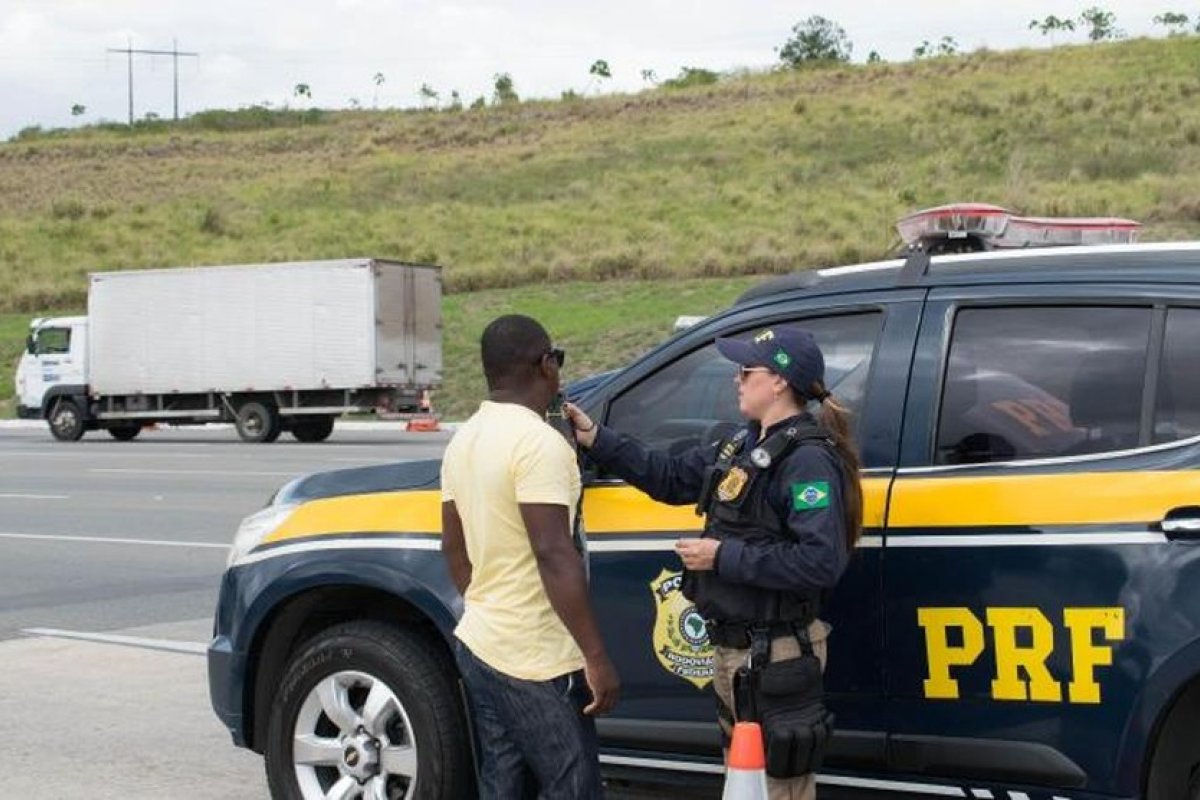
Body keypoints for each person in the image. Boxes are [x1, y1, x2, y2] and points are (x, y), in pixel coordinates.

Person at [564, 326, 862, 800]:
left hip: (777, 654)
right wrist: (597, 439)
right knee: (744, 782)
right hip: (735, 652)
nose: (736, 380)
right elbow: (668, 476)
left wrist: (722, 555)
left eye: (746, 371)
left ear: (780, 381)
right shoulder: (740, 446)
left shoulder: (807, 461)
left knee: (779, 788)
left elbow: (820, 562)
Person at [440, 314, 620, 800]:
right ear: (545, 365)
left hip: (480, 643)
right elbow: (553, 553)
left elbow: (453, 549)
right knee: (574, 786)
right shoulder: (538, 444)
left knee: (505, 785)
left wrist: (487, 608)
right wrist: (596, 657)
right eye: (556, 360)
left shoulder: (464, 439)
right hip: (535, 661)